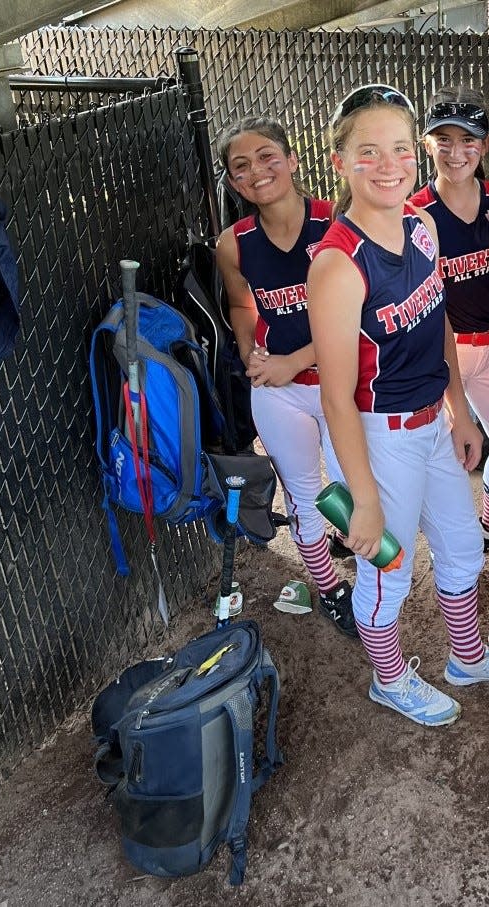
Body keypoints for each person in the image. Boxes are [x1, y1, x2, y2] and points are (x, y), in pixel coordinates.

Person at [307, 84, 489, 728]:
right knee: (388, 569)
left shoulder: (421, 226)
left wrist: (459, 412)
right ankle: (390, 678)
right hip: (378, 435)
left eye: (400, 149)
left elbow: (436, 321)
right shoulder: (337, 263)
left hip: (432, 422)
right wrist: (364, 495)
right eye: (369, 152)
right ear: (339, 161)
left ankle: (465, 657)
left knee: (463, 545)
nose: (389, 164)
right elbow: (334, 395)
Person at [215, 116, 356, 637]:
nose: (257, 171)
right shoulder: (233, 243)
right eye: (241, 166)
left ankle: (367, 574)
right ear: (234, 183)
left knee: (350, 488)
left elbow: (359, 318)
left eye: (268, 156)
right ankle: (329, 589)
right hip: (279, 390)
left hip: (342, 384)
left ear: (294, 160)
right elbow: (241, 303)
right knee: (301, 494)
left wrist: (293, 360)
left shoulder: (338, 222)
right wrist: (253, 354)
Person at [409, 85, 489, 553]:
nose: (456, 151)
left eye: (468, 140)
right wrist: (455, 402)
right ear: (427, 144)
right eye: (443, 139)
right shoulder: (415, 214)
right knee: (441, 456)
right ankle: (443, 544)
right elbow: (426, 312)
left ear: (484, 145)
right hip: (447, 351)